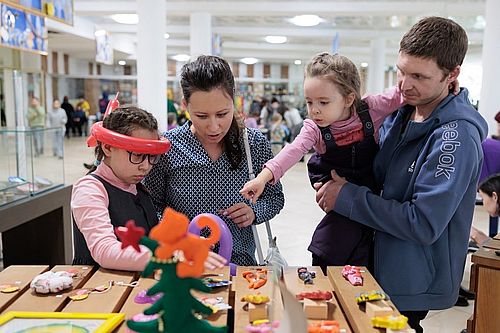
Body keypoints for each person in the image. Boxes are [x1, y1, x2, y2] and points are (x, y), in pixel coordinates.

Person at [313, 17, 488, 333]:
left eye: (419, 76)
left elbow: (422, 223)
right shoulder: (402, 111)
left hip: (411, 277)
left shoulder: (455, 138)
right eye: (401, 71)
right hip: (374, 262)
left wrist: (348, 197)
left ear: (452, 75)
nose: (404, 84)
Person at [241, 52, 404, 273]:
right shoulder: (314, 128)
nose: (314, 110)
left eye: (323, 102)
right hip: (338, 194)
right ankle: (326, 277)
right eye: (309, 102)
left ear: (348, 98)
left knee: (364, 243)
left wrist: (445, 91)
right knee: (331, 243)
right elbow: (293, 150)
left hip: (369, 189)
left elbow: (402, 93)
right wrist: (262, 178)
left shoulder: (372, 108)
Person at [144, 55, 285, 266]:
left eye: (222, 114)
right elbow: (151, 206)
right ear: (185, 105)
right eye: (201, 116)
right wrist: (181, 235)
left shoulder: (253, 144)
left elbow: (275, 198)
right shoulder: (168, 147)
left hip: (241, 267)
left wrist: (253, 213)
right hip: (184, 264)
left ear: (234, 101)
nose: (213, 127)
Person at [71, 105, 227, 271]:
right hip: (100, 288)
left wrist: (187, 244)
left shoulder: (136, 186)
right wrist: (172, 255)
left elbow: (148, 241)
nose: (145, 166)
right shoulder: (90, 189)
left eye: (152, 157)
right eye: (137, 155)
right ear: (108, 147)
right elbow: (105, 250)